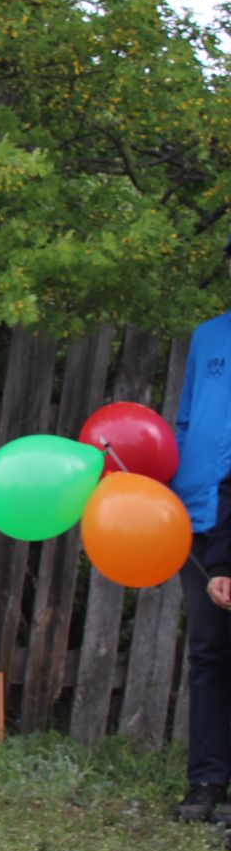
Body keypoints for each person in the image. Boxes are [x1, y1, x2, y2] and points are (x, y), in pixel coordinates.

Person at [170, 303, 231, 824]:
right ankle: (207, 780)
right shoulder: (207, 335)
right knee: (208, 651)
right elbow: (186, 420)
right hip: (198, 514)